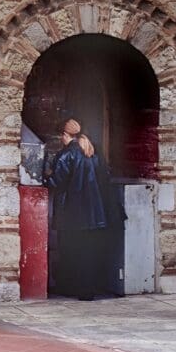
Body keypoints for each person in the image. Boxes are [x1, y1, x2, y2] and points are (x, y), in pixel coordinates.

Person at [44, 119, 120, 301]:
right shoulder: (93, 152)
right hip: (95, 213)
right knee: (88, 252)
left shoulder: (66, 155)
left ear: (65, 134)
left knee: (72, 251)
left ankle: (72, 288)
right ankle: (88, 290)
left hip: (72, 213)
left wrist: (45, 177)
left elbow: (56, 182)